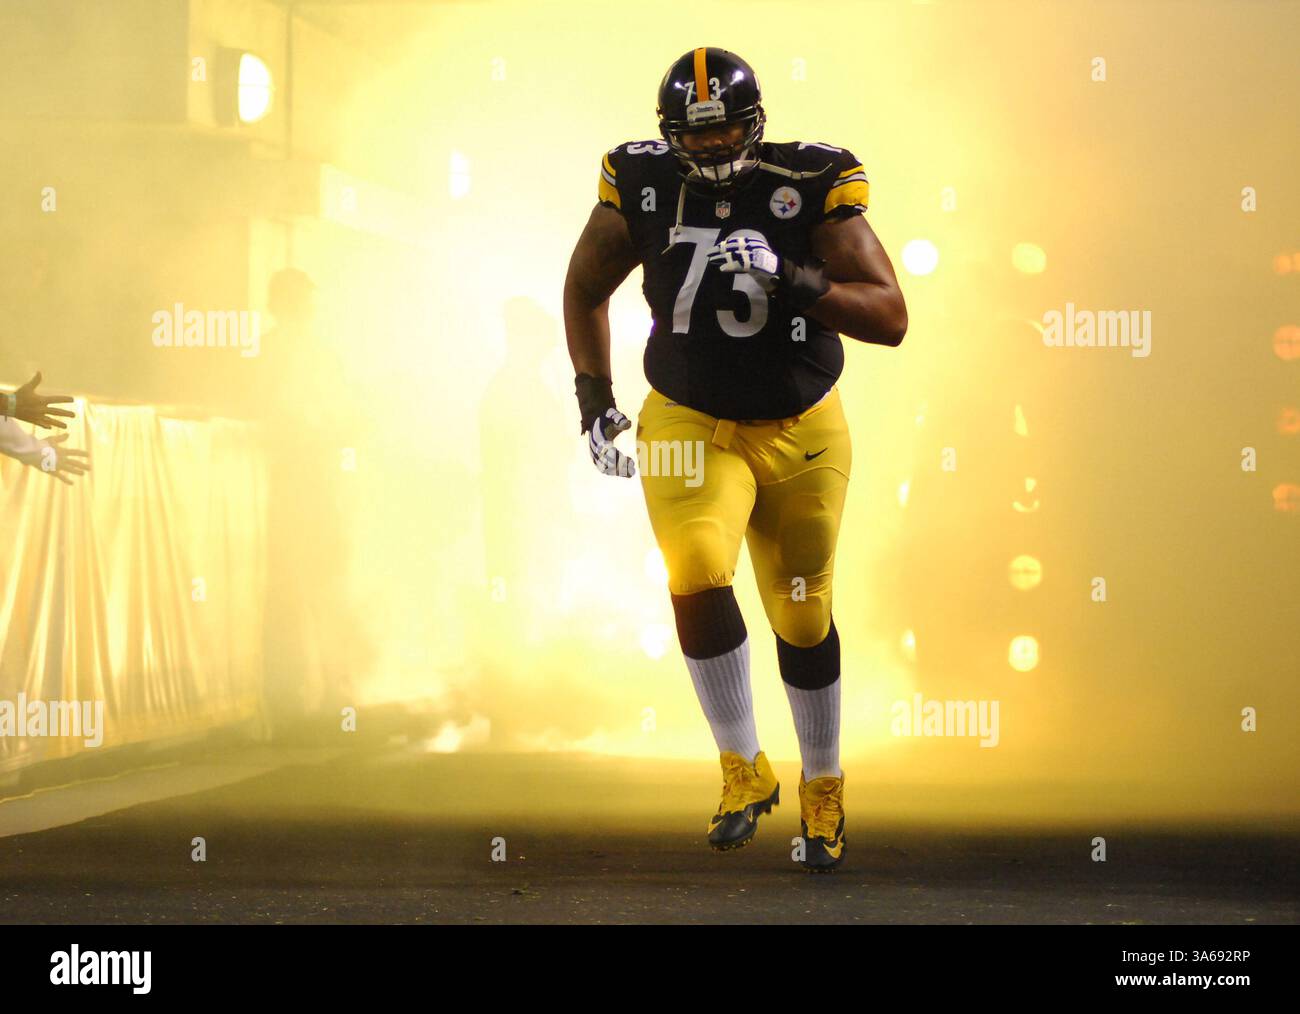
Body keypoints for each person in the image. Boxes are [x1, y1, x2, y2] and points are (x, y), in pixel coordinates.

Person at [563, 47, 907, 871]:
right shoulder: (638, 181)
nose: (714, 151)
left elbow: (891, 316)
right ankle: (742, 768)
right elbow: (583, 287)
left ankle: (821, 785)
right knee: (694, 566)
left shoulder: (809, 181)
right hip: (687, 413)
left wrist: (793, 277)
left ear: (756, 127)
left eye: (726, 136)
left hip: (801, 423)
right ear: (670, 134)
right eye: (697, 136)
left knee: (801, 609)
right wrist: (594, 402)